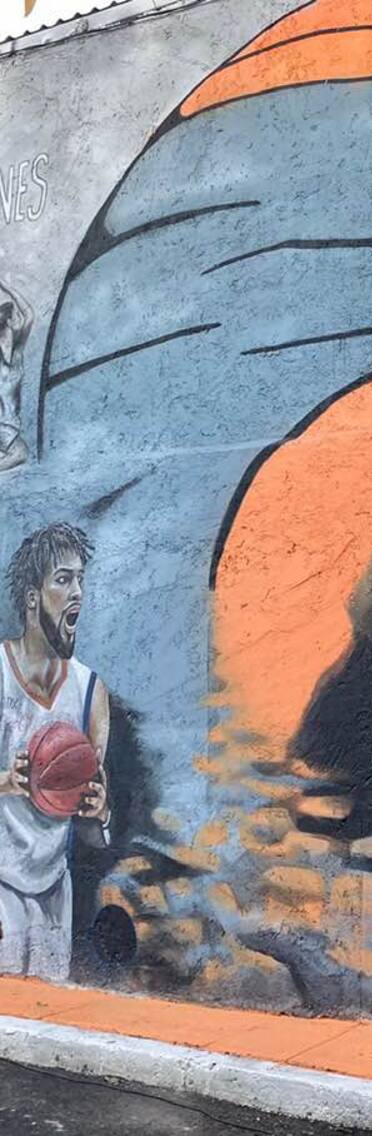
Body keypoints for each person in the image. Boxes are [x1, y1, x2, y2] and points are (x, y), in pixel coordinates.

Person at [0, 523, 110, 979]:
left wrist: (99, 812)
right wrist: (7, 782)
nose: (77, 592)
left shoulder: (90, 693)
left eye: (80, 579)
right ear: (32, 598)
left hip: (54, 894)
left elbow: (92, 838)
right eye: (63, 579)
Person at [0, 275, 34, 472]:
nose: (19, 319)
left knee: (20, 452)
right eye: (15, 316)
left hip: (7, 427)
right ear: (9, 322)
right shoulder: (13, 354)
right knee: (21, 453)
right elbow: (28, 315)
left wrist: (5, 285)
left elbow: (29, 315)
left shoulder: (16, 352)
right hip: (5, 428)